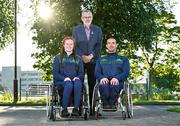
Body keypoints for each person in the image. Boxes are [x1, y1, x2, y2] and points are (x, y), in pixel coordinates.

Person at [72, 10, 102, 115]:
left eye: (89, 17)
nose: (87, 19)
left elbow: (99, 45)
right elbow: (74, 45)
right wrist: (82, 56)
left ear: (92, 17)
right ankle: (79, 108)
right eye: (85, 17)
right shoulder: (76, 30)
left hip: (93, 60)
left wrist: (91, 56)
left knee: (92, 84)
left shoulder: (98, 30)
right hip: (80, 61)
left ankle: (93, 109)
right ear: (82, 18)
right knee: (79, 83)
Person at [95, 37, 130, 109]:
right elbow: (96, 72)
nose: (111, 45)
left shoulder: (123, 59)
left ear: (116, 45)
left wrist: (117, 78)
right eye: (109, 43)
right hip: (104, 81)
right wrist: (102, 77)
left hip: (118, 82)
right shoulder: (100, 59)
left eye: (113, 43)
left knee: (114, 84)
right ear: (106, 46)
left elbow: (126, 72)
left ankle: (112, 103)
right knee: (104, 84)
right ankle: (105, 103)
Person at [53, 36, 84, 117]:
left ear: (73, 46)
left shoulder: (78, 59)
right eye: (67, 44)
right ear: (63, 45)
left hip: (75, 80)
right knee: (69, 84)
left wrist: (77, 77)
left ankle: (76, 109)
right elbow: (55, 74)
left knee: (77, 83)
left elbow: (81, 73)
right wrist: (64, 78)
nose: (69, 46)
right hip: (61, 81)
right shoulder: (58, 58)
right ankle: (64, 109)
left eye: (71, 44)